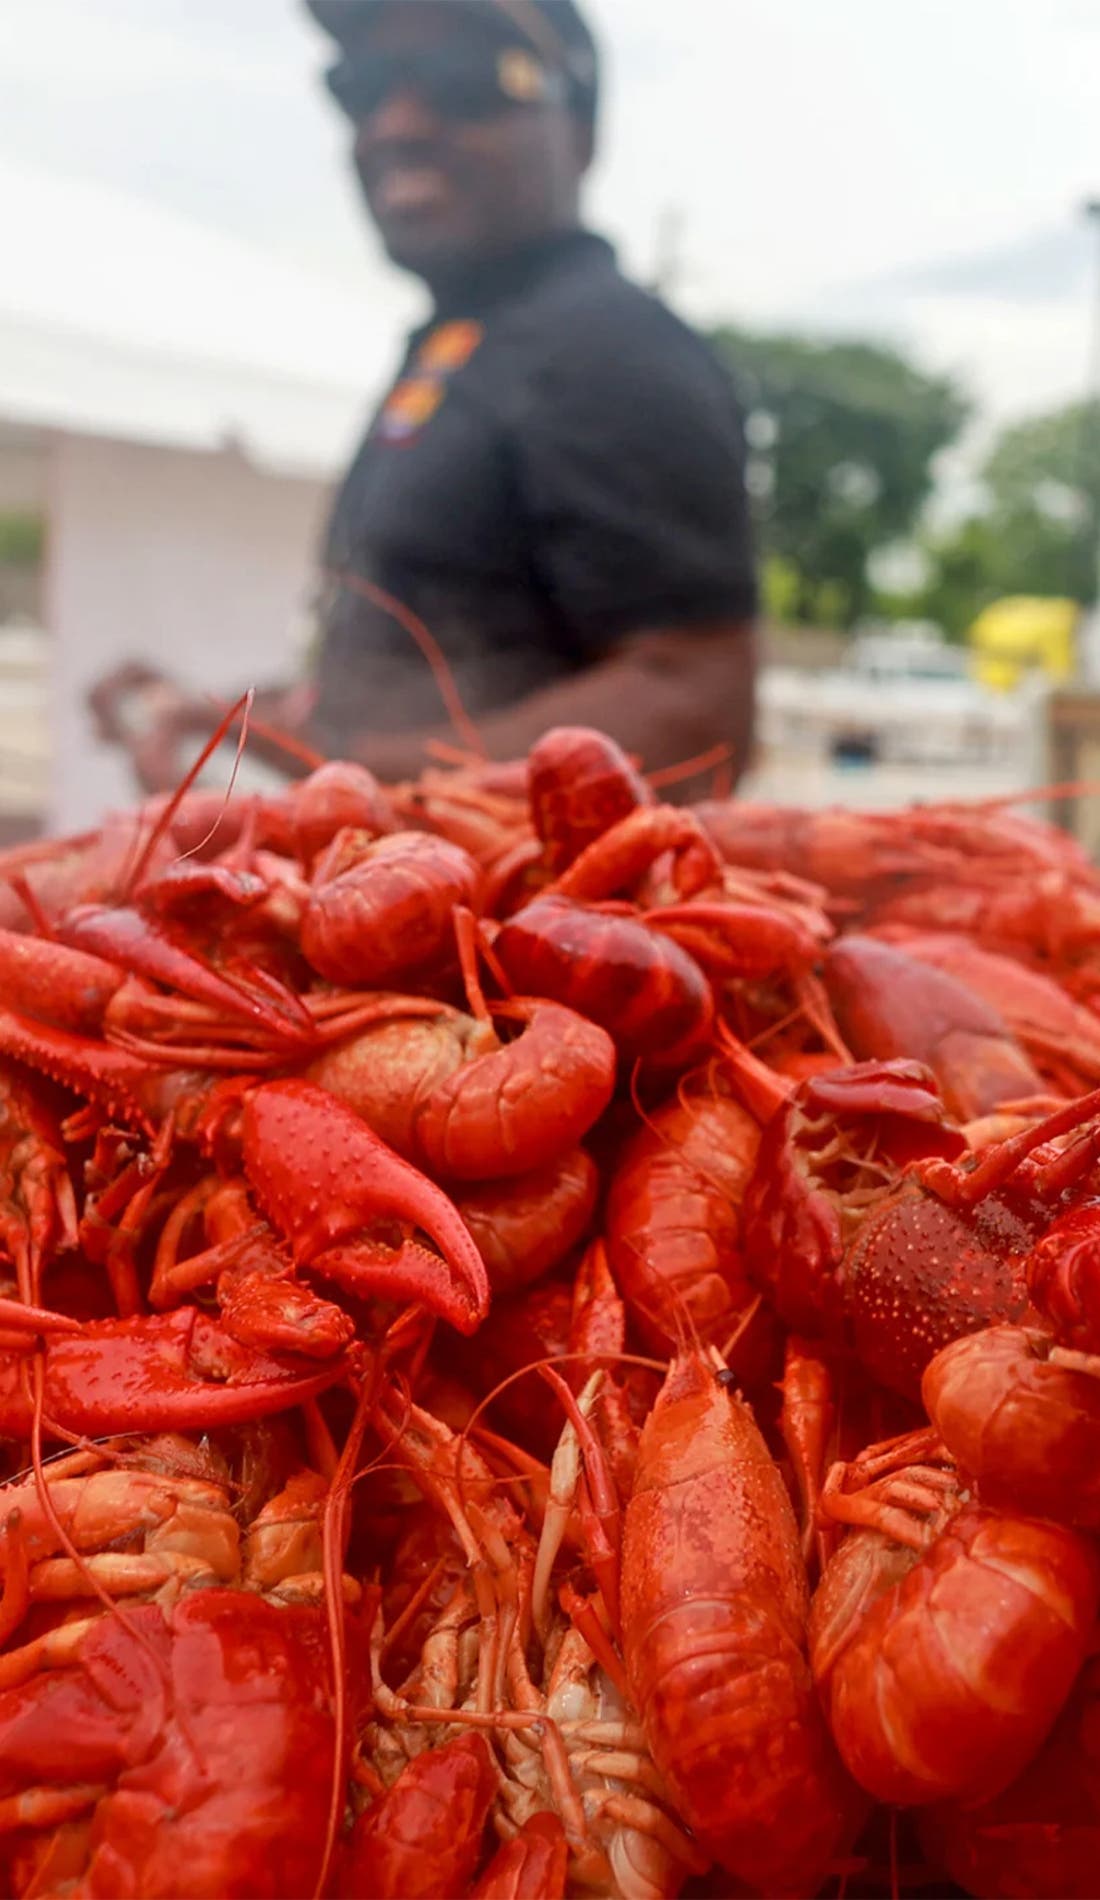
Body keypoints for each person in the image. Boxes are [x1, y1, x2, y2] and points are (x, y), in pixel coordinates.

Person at [95, 0, 757, 791]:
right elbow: (395, 686)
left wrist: (350, 782)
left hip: (509, 907)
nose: (395, 124)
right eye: (362, 87)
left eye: (463, 81)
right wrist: (214, 717)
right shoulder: (466, 340)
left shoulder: (610, 347)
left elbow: (697, 700)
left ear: (579, 129)